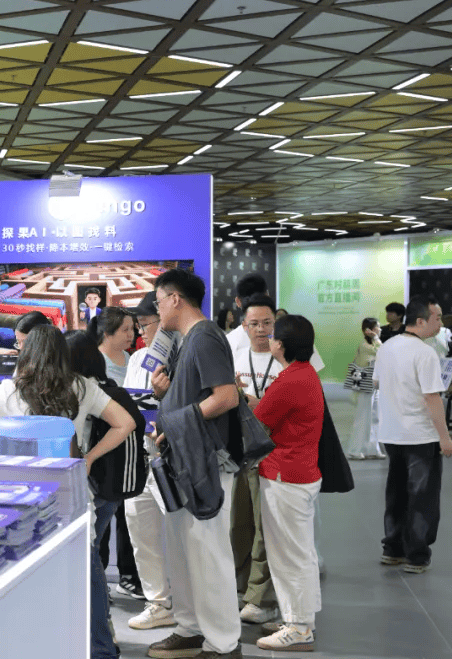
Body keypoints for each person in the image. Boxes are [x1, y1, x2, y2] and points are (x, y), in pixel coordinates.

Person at [0, 324, 136, 659]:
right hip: (69, 495)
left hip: (22, 499)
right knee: (86, 573)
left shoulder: (10, 390)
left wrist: (4, 460)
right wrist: (89, 457)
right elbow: (126, 423)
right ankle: (100, 649)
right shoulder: (81, 386)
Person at [147, 269, 243, 659]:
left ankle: (223, 643)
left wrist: (176, 420)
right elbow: (195, 397)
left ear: (175, 299)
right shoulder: (188, 341)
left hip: (206, 463)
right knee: (184, 552)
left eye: (158, 301)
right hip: (185, 459)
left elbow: (226, 396)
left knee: (208, 553)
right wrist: (166, 397)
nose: (157, 310)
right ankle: (190, 628)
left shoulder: (204, 337)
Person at [252, 314, 324, 652]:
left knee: (289, 555)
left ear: (280, 344)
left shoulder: (289, 381)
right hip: (299, 472)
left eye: (272, 334)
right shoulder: (304, 374)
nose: (267, 337)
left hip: (286, 475)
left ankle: (299, 627)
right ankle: (299, 618)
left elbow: (257, 421)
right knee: (299, 553)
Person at [375, 296, 452, 573]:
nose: (440, 323)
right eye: (437, 318)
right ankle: (417, 555)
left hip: (391, 433)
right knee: (422, 496)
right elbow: (432, 398)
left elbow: (377, 381)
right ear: (421, 321)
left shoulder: (386, 347)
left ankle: (393, 548)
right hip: (420, 435)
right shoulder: (425, 353)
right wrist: (445, 437)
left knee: (396, 492)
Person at [68, 330, 144, 602]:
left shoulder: (82, 390)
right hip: (112, 480)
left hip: (90, 480)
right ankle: (101, 602)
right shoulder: (109, 387)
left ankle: (97, 606)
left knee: (90, 550)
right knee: (96, 544)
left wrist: (88, 458)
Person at [123, 291, 179, 631]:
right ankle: (158, 603)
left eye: (145, 325)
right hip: (141, 458)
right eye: (138, 326)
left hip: (174, 459)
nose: (141, 333)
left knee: (180, 535)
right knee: (140, 530)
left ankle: (187, 604)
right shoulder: (137, 359)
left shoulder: (183, 354)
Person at [230, 294, 281, 626]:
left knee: (266, 528)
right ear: (244, 326)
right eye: (254, 324)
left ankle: (261, 597)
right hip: (241, 452)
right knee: (239, 524)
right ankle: (240, 588)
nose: (261, 330)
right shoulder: (234, 357)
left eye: (267, 323)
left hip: (275, 452)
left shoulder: (284, 361)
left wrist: (255, 402)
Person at [346, 317, 384, 459]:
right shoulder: (365, 346)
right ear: (369, 330)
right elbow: (382, 352)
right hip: (366, 384)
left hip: (375, 385)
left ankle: (372, 449)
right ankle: (355, 450)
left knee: (374, 417)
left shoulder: (372, 344)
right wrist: (376, 339)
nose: (380, 329)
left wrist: (376, 339)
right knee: (363, 417)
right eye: (377, 327)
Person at [92, 307, 134, 386]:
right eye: (125, 330)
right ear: (107, 333)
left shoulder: (128, 356)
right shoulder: (95, 362)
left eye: (132, 328)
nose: (131, 334)